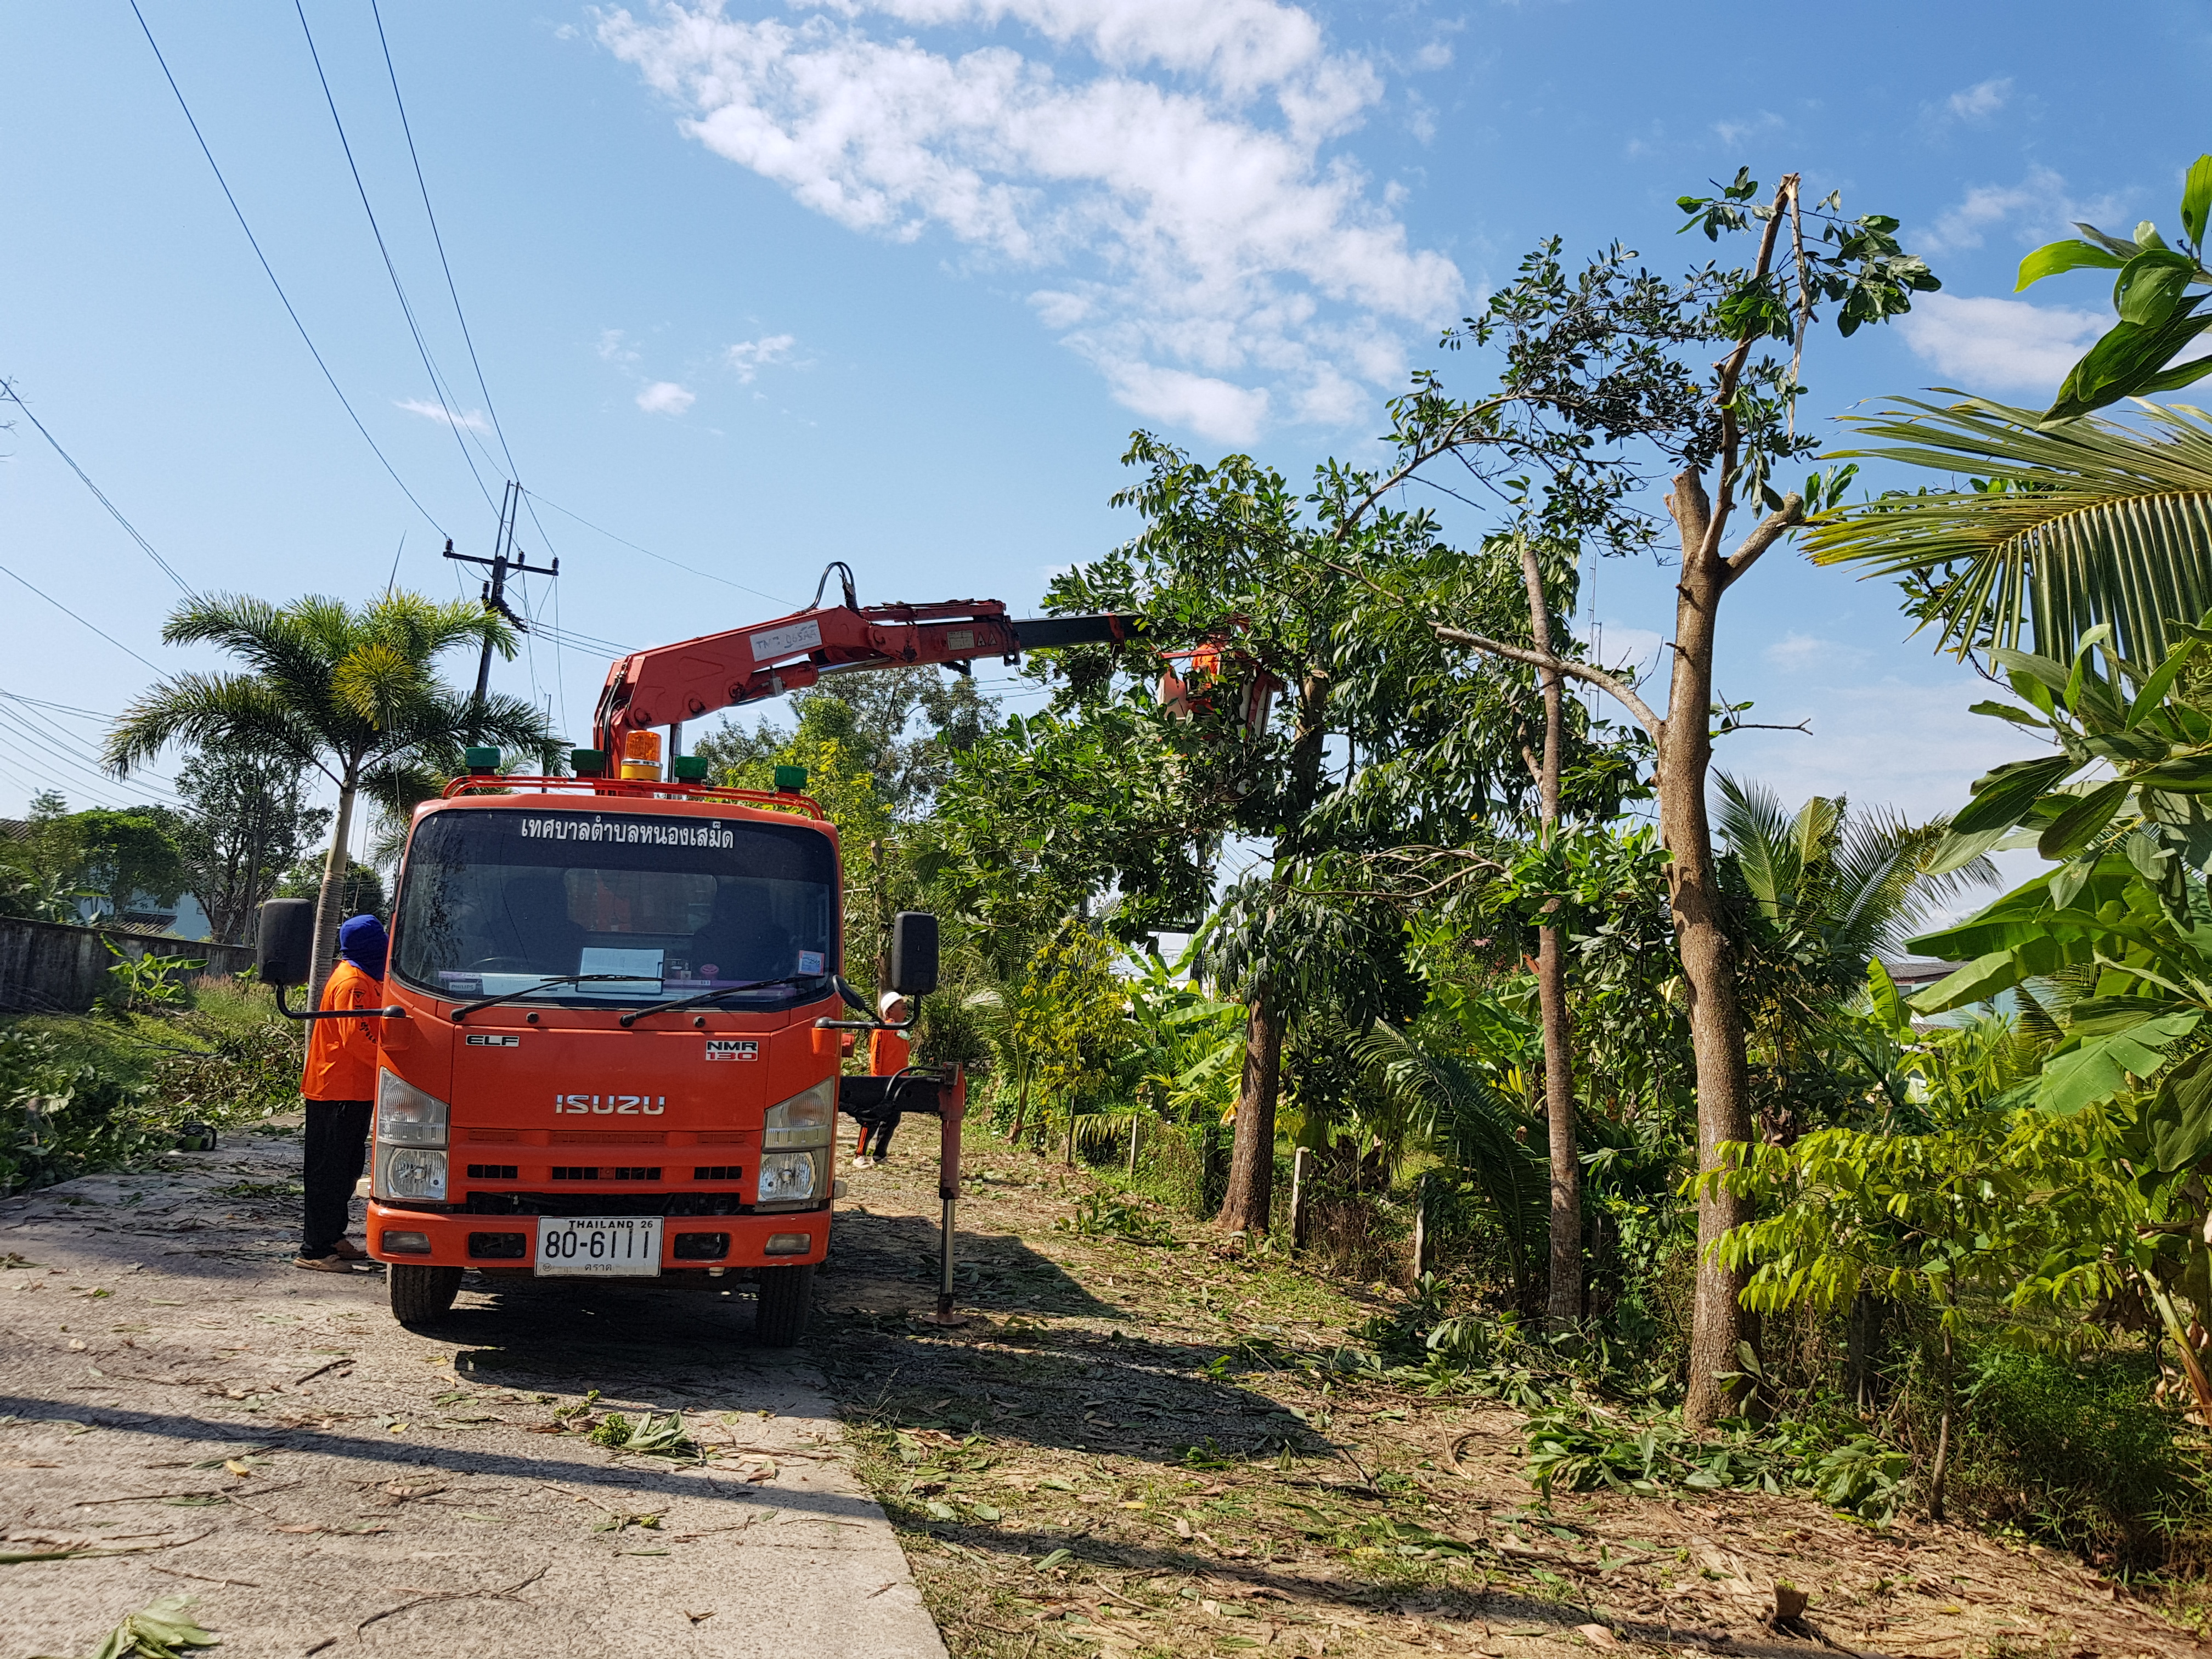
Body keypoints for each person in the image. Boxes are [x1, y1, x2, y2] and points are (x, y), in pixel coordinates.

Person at [296, 915, 387, 1272]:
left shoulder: (366, 978)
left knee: (347, 1167)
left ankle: (333, 1236)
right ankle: (314, 1249)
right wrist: (396, 1063)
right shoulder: (353, 983)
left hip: (355, 1089)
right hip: (336, 1089)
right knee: (327, 1171)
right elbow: (358, 1038)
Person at [851, 991, 911, 1166]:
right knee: (873, 1119)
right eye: (899, 1003)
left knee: (892, 1119)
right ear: (889, 1011)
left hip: (898, 1082)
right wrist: (876, 1080)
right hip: (882, 1082)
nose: (904, 1005)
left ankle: (879, 1155)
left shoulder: (902, 1029)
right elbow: (876, 1055)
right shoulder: (883, 1028)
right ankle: (859, 1154)